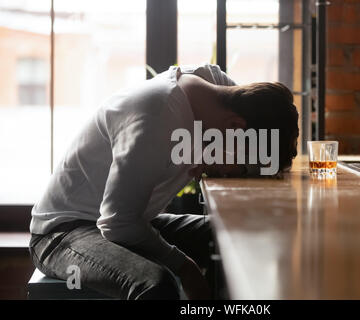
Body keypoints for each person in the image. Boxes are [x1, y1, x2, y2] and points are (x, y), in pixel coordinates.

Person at [29, 63, 299, 300]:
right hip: (64, 233)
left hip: (127, 219)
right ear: (235, 127)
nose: (238, 161)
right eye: (244, 154)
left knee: (228, 234)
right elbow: (118, 224)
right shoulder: (155, 118)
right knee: (158, 286)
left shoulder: (216, 88)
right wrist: (186, 268)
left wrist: (230, 161)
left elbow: (261, 139)